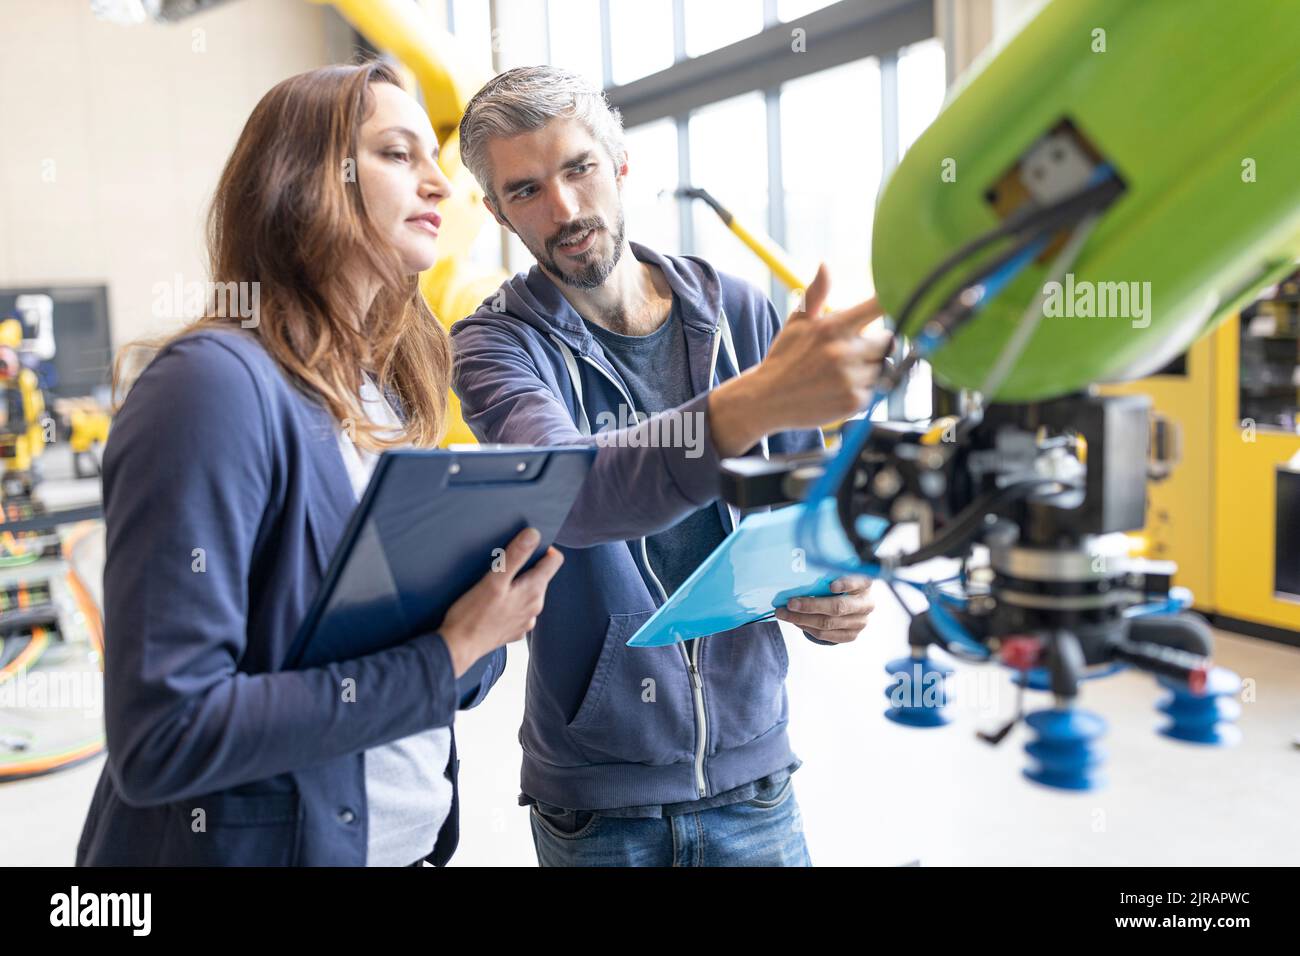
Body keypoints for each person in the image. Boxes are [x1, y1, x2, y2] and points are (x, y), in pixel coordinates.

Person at [76, 61, 562, 867]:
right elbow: (165, 737)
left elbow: (420, 664)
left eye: (434, 162)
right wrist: (447, 652)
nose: (439, 184)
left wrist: (481, 624)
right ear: (305, 180)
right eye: (397, 154)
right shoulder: (210, 388)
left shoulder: (385, 395)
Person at [452, 66, 891, 866]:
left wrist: (844, 592)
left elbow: (808, 517)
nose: (565, 210)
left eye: (579, 168)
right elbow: (573, 490)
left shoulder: (743, 313)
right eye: (525, 191)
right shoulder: (494, 347)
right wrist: (749, 406)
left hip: (756, 779)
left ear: (620, 164)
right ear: (495, 212)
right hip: (597, 805)